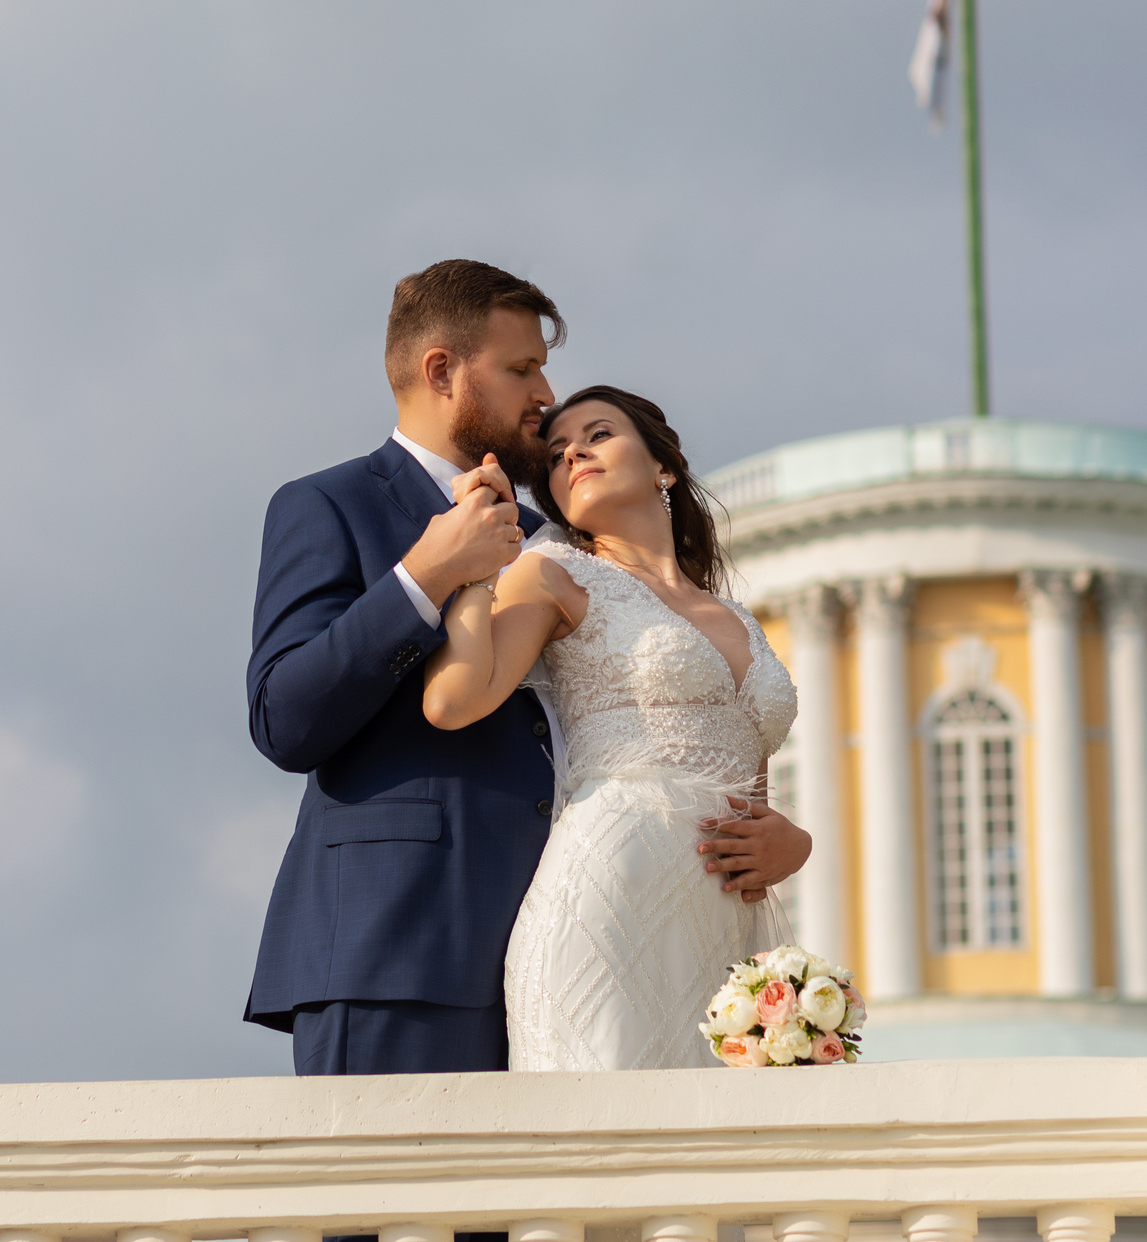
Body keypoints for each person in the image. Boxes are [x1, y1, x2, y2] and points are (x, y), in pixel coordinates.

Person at [244, 261, 807, 1075]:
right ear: (443, 371)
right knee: (401, 1207)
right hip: (401, 949)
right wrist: (424, 575)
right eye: (521, 367)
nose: (546, 392)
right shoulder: (330, 505)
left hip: (592, 929)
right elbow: (285, 716)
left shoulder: (566, 541)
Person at [421, 386, 797, 1070]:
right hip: (609, 892)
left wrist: (791, 843)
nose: (575, 454)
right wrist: (478, 570)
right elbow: (453, 698)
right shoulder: (554, 573)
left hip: (724, 921)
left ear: (665, 468)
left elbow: (752, 796)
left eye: (598, 434)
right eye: (558, 454)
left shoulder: (739, 618)